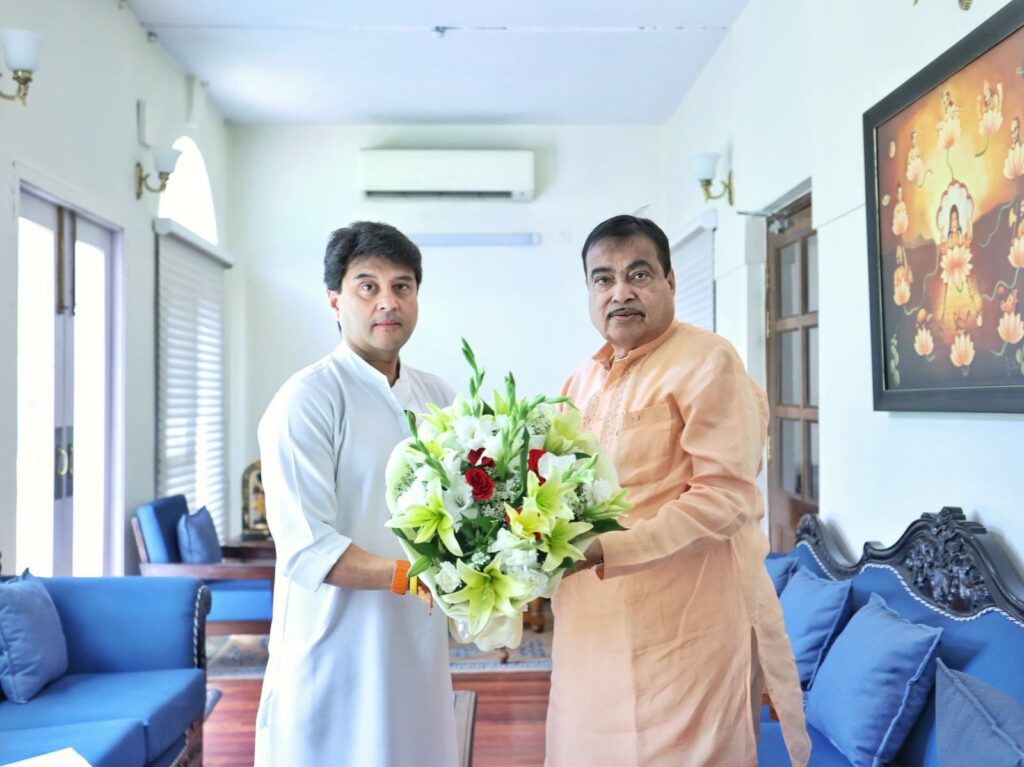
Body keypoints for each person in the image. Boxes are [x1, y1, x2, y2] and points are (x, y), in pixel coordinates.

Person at [546, 215, 810, 767]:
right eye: (603, 279)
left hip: (684, 639)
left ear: (669, 280)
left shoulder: (708, 361)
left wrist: (605, 548)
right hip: (589, 638)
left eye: (638, 274)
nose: (620, 292)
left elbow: (725, 499)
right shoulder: (580, 381)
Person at [253, 222, 458, 767]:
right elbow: (307, 546)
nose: (387, 302)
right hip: (333, 645)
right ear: (334, 301)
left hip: (415, 646)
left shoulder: (439, 397)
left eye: (402, 286)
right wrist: (413, 576)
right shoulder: (307, 399)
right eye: (368, 286)